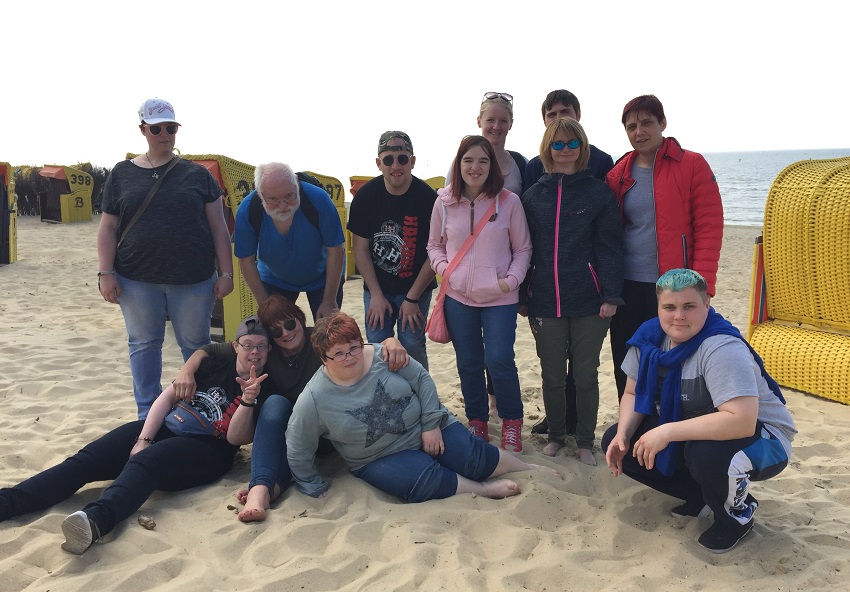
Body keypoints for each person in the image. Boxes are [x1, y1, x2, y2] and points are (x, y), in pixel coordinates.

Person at [0, 316, 273, 554]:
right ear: (236, 345)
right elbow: (165, 399)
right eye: (248, 345)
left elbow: (236, 440)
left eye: (261, 346)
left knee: (146, 463)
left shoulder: (268, 386)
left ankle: (94, 522)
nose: (254, 352)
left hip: (208, 449)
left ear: (269, 349)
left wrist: (248, 399)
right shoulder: (213, 361)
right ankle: (8, 502)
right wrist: (144, 437)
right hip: (167, 426)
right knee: (87, 459)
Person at [602, 269, 796, 554]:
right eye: (669, 307)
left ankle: (737, 519)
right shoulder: (648, 338)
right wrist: (624, 433)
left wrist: (666, 431)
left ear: (707, 305)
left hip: (766, 439)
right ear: (658, 308)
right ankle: (702, 496)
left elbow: (741, 421)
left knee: (704, 454)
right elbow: (631, 393)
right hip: (698, 425)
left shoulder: (720, 347)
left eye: (689, 306)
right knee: (617, 443)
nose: (678, 316)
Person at [171, 295, 409, 522]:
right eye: (276, 330)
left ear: (299, 318)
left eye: (289, 323)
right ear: (270, 338)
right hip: (289, 429)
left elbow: (359, 348)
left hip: (329, 429)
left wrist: (390, 341)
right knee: (275, 405)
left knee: (296, 433)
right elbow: (211, 350)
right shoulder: (266, 354)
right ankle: (262, 490)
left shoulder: (319, 339)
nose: (285, 332)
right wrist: (187, 370)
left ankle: (266, 488)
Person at [286, 312, 558, 502]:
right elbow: (298, 443)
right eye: (339, 353)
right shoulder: (314, 397)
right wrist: (313, 484)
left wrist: (430, 426)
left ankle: (525, 468)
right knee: (421, 479)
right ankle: (483, 491)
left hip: (426, 426)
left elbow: (422, 380)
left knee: (471, 457)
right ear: (323, 358)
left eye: (354, 347)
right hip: (378, 457)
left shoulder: (384, 354)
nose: (350, 357)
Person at [97, 97, 234, 419]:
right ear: (143, 129)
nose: (165, 134)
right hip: (135, 277)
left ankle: (201, 409)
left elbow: (218, 227)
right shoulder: (120, 174)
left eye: (171, 127)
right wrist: (105, 272)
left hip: (193, 278)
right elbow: (107, 227)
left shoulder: (198, 175)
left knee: (197, 346)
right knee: (144, 345)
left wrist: (225, 274)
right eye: (157, 128)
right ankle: (148, 413)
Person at [606, 95, 723, 400]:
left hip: (675, 287)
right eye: (631, 126)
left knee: (676, 359)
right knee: (628, 358)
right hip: (627, 286)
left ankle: (670, 427)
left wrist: (702, 285)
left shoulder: (691, 164)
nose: (639, 132)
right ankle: (629, 428)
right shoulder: (618, 174)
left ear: (662, 124)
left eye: (646, 123)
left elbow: (710, 226)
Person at [521, 118, 624, 464]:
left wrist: (611, 294)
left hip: (590, 303)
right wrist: (524, 295)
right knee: (552, 375)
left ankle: (583, 440)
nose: (565, 151)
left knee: (584, 375)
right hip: (545, 302)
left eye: (572, 144)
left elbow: (610, 247)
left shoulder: (597, 193)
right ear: (547, 149)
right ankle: (555, 435)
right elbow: (524, 249)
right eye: (557, 144)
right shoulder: (534, 195)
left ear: (582, 147)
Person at [428, 135, 532, 452]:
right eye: (468, 160)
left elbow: (523, 248)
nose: (475, 167)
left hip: (499, 298)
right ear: (458, 165)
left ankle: (512, 422)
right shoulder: (443, 201)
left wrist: (509, 282)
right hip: (459, 298)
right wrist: (447, 271)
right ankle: (478, 421)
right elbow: (434, 246)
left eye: (483, 161)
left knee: (499, 359)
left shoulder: (509, 202)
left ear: (492, 167)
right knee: (469, 362)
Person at [347, 131, 437, 369]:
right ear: (379, 163)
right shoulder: (365, 197)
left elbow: (435, 253)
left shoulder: (428, 198)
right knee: (377, 345)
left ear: (413, 161)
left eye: (402, 158)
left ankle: (421, 399)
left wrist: (412, 297)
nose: (395, 165)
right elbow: (361, 250)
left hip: (416, 286)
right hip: (378, 287)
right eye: (388, 159)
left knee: (413, 343)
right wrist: (376, 294)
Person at [233, 162, 345, 321]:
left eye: (289, 196)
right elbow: (246, 262)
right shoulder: (248, 210)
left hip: (323, 275)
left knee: (328, 330)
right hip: (275, 277)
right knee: (277, 328)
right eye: (273, 199)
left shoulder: (319, 200)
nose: (283, 205)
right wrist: (265, 304)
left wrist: (329, 300)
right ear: (261, 195)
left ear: (297, 186)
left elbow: (336, 251)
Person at [524, 89, 614, 187]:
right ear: (545, 122)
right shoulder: (534, 167)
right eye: (552, 115)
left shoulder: (602, 161)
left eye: (565, 112)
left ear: (578, 116)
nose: (559, 118)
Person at [447, 92, 528, 196]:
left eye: (503, 121)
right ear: (479, 121)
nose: (496, 126)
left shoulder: (521, 163)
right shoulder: (460, 162)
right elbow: (448, 202)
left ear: (511, 124)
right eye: (490, 120)